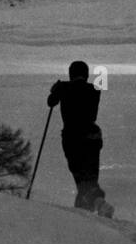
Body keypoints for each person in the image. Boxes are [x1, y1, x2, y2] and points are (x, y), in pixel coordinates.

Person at [48, 61, 113, 217]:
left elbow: (51, 102)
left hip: (73, 138)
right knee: (90, 176)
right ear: (86, 74)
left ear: (71, 73)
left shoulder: (64, 88)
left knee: (81, 177)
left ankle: (96, 205)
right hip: (93, 137)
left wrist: (55, 90)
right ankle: (87, 208)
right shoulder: (94, 89)